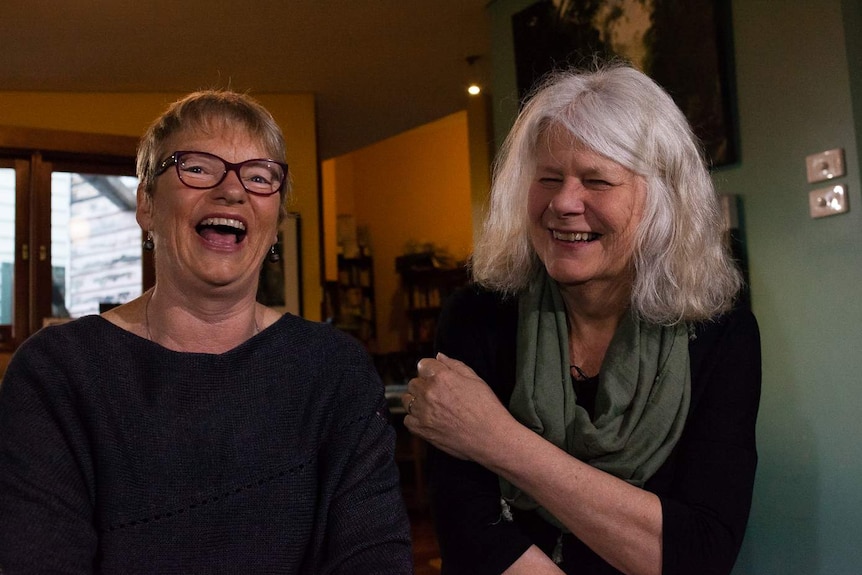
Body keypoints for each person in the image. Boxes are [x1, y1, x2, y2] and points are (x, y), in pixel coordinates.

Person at [0, 90, 412, 573]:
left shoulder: (335, 370)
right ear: (147, 205)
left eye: (260, 177)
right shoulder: (57, 373)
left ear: (276, 224)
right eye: (197, 167)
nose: (232, 190)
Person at [402, 63, 761, 575]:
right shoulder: (479, 315)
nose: (563, 203)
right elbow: (468, 530)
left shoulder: (721, 334)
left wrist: (497, 438)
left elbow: (700, 552)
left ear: (661, 202)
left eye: (597, 180)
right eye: (547, 179)